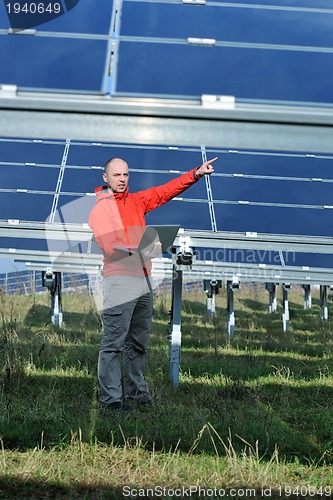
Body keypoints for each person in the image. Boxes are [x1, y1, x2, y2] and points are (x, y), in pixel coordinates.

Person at [88, 156, 217, 411]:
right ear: (105, 178)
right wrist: (144, 251)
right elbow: (111, 247)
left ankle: (137, 395)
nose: (122, 180)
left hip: (143, 280)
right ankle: (111, 401)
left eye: (125, 175)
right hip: (120, 280)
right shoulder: (101, 210)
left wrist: (195, 174)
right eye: (116, 175)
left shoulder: (135, 201)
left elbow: (164, 192)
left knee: (138, 342)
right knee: (113, 343)